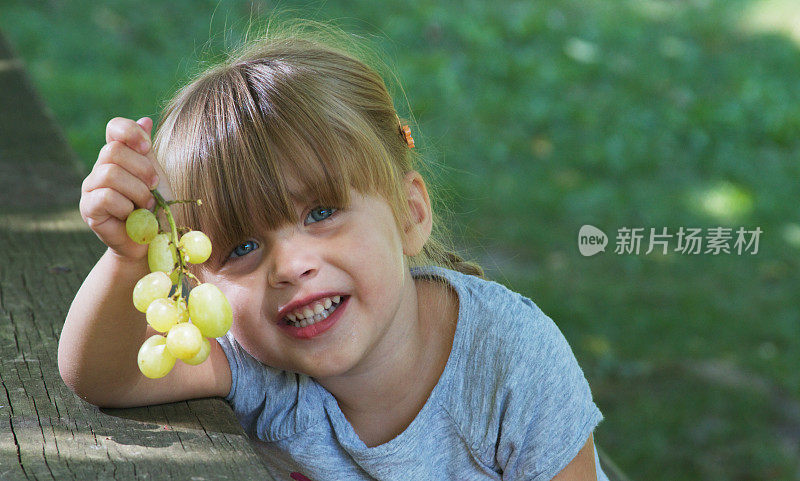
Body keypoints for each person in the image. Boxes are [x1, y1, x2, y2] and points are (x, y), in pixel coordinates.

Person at [59, 19, 608, 481]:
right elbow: (106, 377)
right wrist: (129, 256)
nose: (292, 266)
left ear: (409, 213)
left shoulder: (510, 361)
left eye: (321, 213)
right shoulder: (258, 366)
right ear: (203, 283)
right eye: (244, 246)